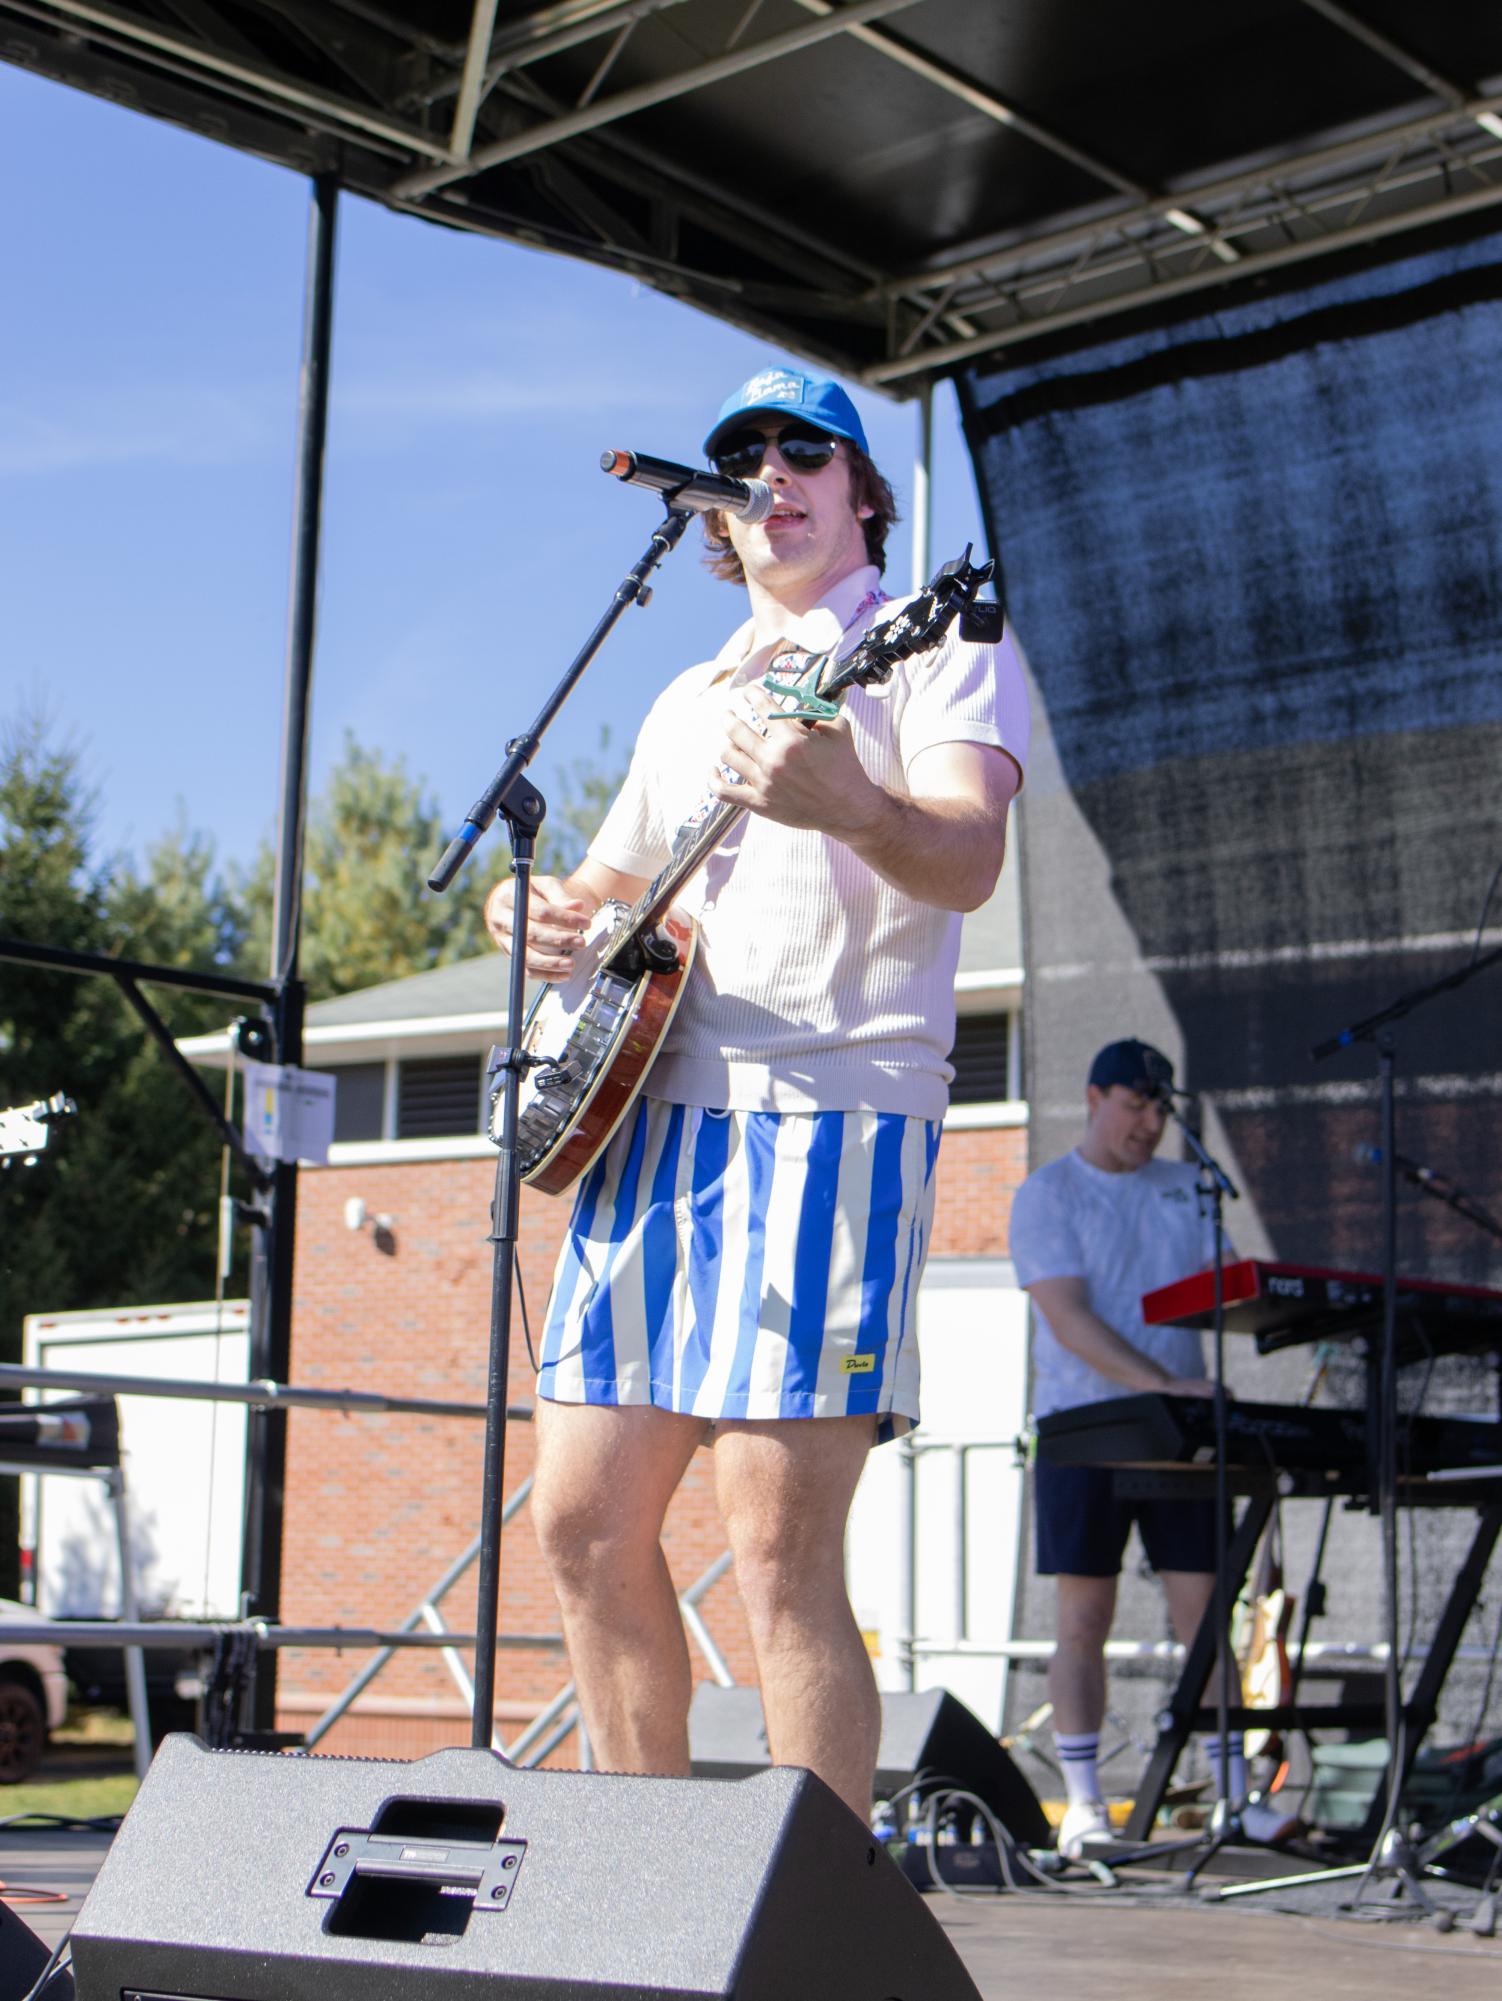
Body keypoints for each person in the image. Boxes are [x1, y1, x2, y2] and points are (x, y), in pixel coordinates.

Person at [484, 366, 1029, 1817]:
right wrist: (542, 916)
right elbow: (613, 886)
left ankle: (810, 1925)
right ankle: (632, 1882)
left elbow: (967, 856)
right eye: (744, 457)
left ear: (863, 494)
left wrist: (850, 801)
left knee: (778, 1547)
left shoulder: (933, 647)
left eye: (806, 451)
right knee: (583, 1522)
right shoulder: (688, 695)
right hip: (647, 1121)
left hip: (832, 1112)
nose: (769, 472)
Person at [1010, 1038, 1296, 1855]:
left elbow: (1231, 1289)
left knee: (1206, 1615)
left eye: (1161, 1108)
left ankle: (1232, 1795)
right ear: (1094, 1098)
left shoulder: (1188, 1188)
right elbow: (1067, 1319)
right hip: (1084, 1429)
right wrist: (1162, 1384)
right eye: (1135, 1104)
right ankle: (1087, 1803)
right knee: (1084, 1615)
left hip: (1178, 1434)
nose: (1149, 1122)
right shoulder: (1048, 1194)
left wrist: (1307, 1322)